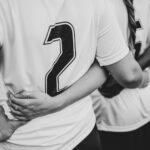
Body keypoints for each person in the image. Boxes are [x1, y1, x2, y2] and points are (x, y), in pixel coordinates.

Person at [0, 0, 149, 149]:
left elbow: (111, 66)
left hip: (29, 137)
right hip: (80, 132)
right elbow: (114, 70)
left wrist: (56, 103)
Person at [91, 0, 150, 150]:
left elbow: (130, 76)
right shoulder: (95, 5)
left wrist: (136, 72)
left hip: (143, 103)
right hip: (104, 114)